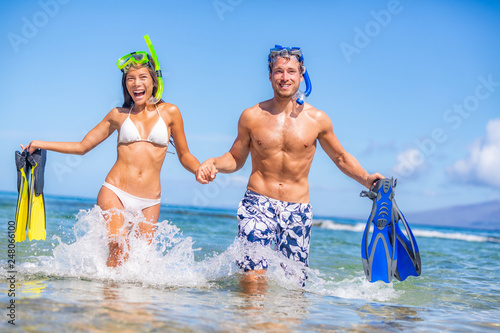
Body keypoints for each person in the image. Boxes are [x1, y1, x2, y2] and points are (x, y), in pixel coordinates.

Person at [196, 45, 383, 286]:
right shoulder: (251, 116)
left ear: (302, 75)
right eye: (279, 71)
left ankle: (281, 324)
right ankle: (249, 322)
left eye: (292, 71)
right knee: (252, 277)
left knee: (293, 285)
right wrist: (213, 163)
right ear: (270, 75)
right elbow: (236, 157)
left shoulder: (318, 119)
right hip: (258, 202)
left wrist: (368, 180)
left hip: (297, 209)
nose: (285, 77)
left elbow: (340, 157)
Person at [22, 36, 200, 267]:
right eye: (130, 79)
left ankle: (129, 303)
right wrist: (39, 143)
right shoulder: (118, 115)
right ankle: (108, 301)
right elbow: (82, 146)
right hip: (115, 190)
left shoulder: (170, 112)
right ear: (126, 84)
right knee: (118, 246)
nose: (136, 83)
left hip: (149, 200)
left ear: (154, 81)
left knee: (139, 264)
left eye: (142, 77)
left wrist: (199, 169)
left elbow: (185, 155)